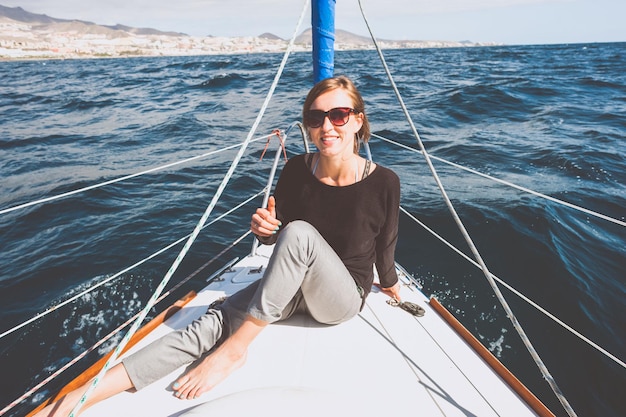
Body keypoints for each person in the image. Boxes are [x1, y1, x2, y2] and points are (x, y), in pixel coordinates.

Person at [34, 75, 401, 416]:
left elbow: (386, 246)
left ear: (357, 121)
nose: (325, 127)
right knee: (209, 323)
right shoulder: (295, 171)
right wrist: (265, 232)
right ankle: (76, 400)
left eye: (338, 115)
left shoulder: (384, 182)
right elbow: (279, 236)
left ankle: (235, 350)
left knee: (300, 234)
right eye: (315, 116)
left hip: (339, 298)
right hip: (291, 286)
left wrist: (391, 284)